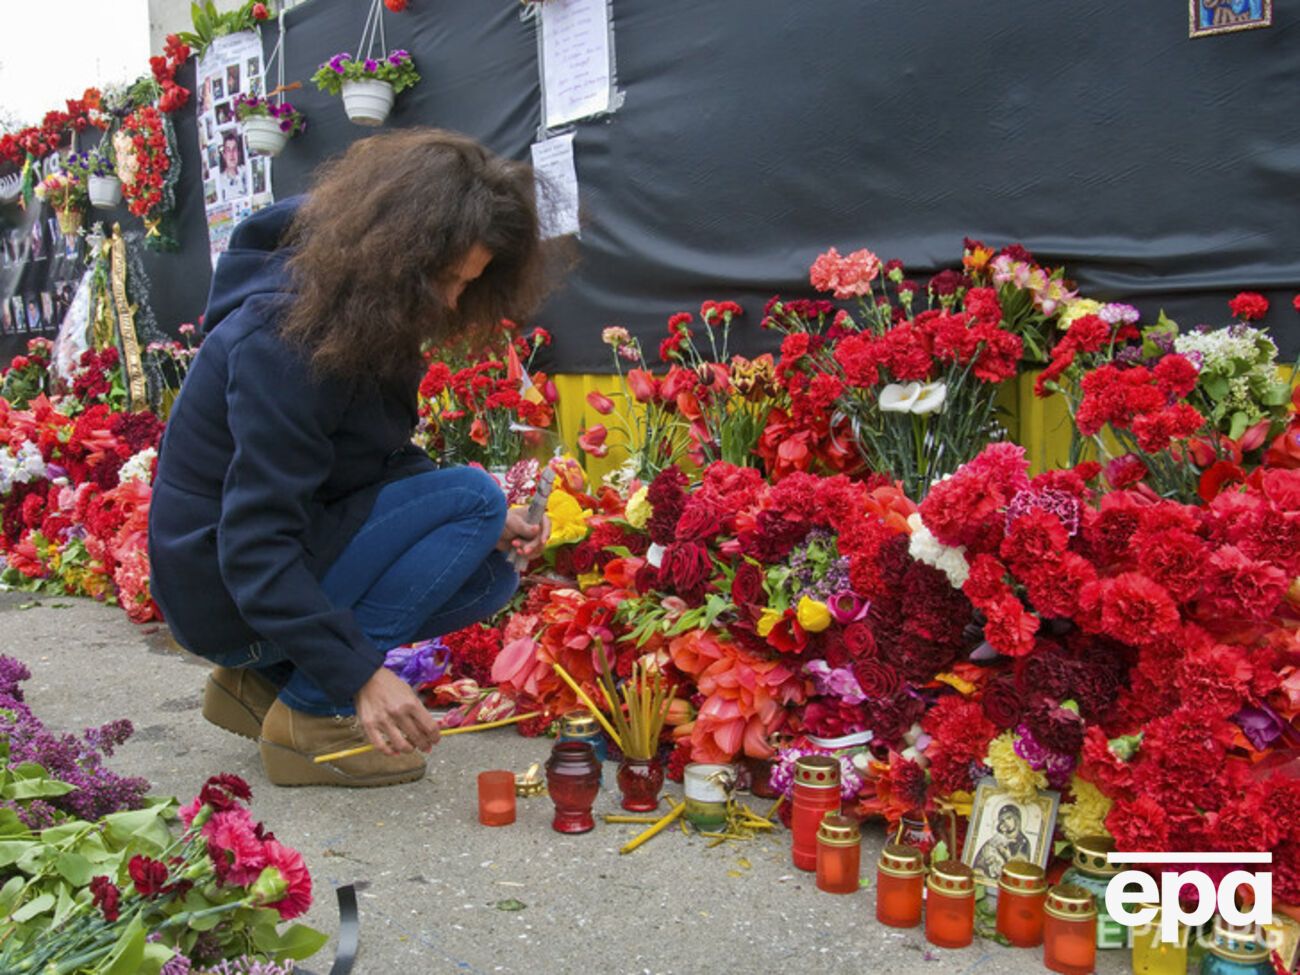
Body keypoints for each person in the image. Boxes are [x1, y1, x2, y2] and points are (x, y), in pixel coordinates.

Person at [149, 129, 556, 788]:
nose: (454, 304)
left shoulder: (360, 316)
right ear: (396, 256)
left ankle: (262, 683)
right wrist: (362, 677)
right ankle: (311, 712)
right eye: (449, 282)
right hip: (223, 593)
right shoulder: (284, 342)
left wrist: (469, 513)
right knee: (475, 497)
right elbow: (254, 545)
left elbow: (371, 459)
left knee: (490, 571)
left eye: (469, 284)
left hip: (251, 588)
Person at [973, 803, 1034, 881]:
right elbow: (979, 865)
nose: (1006, 822)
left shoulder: (1023, 843)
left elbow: (1021, 870)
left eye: (1009, 818)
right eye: (1002, 820)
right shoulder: (994, 840)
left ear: (1017, 819)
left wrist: (1007, 856)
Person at [218, 131, 248, 202]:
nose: (232, 154)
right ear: (224, 155)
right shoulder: (220, 181)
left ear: (238, 153)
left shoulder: (246, 172)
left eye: (234, 149)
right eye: (228, 150)